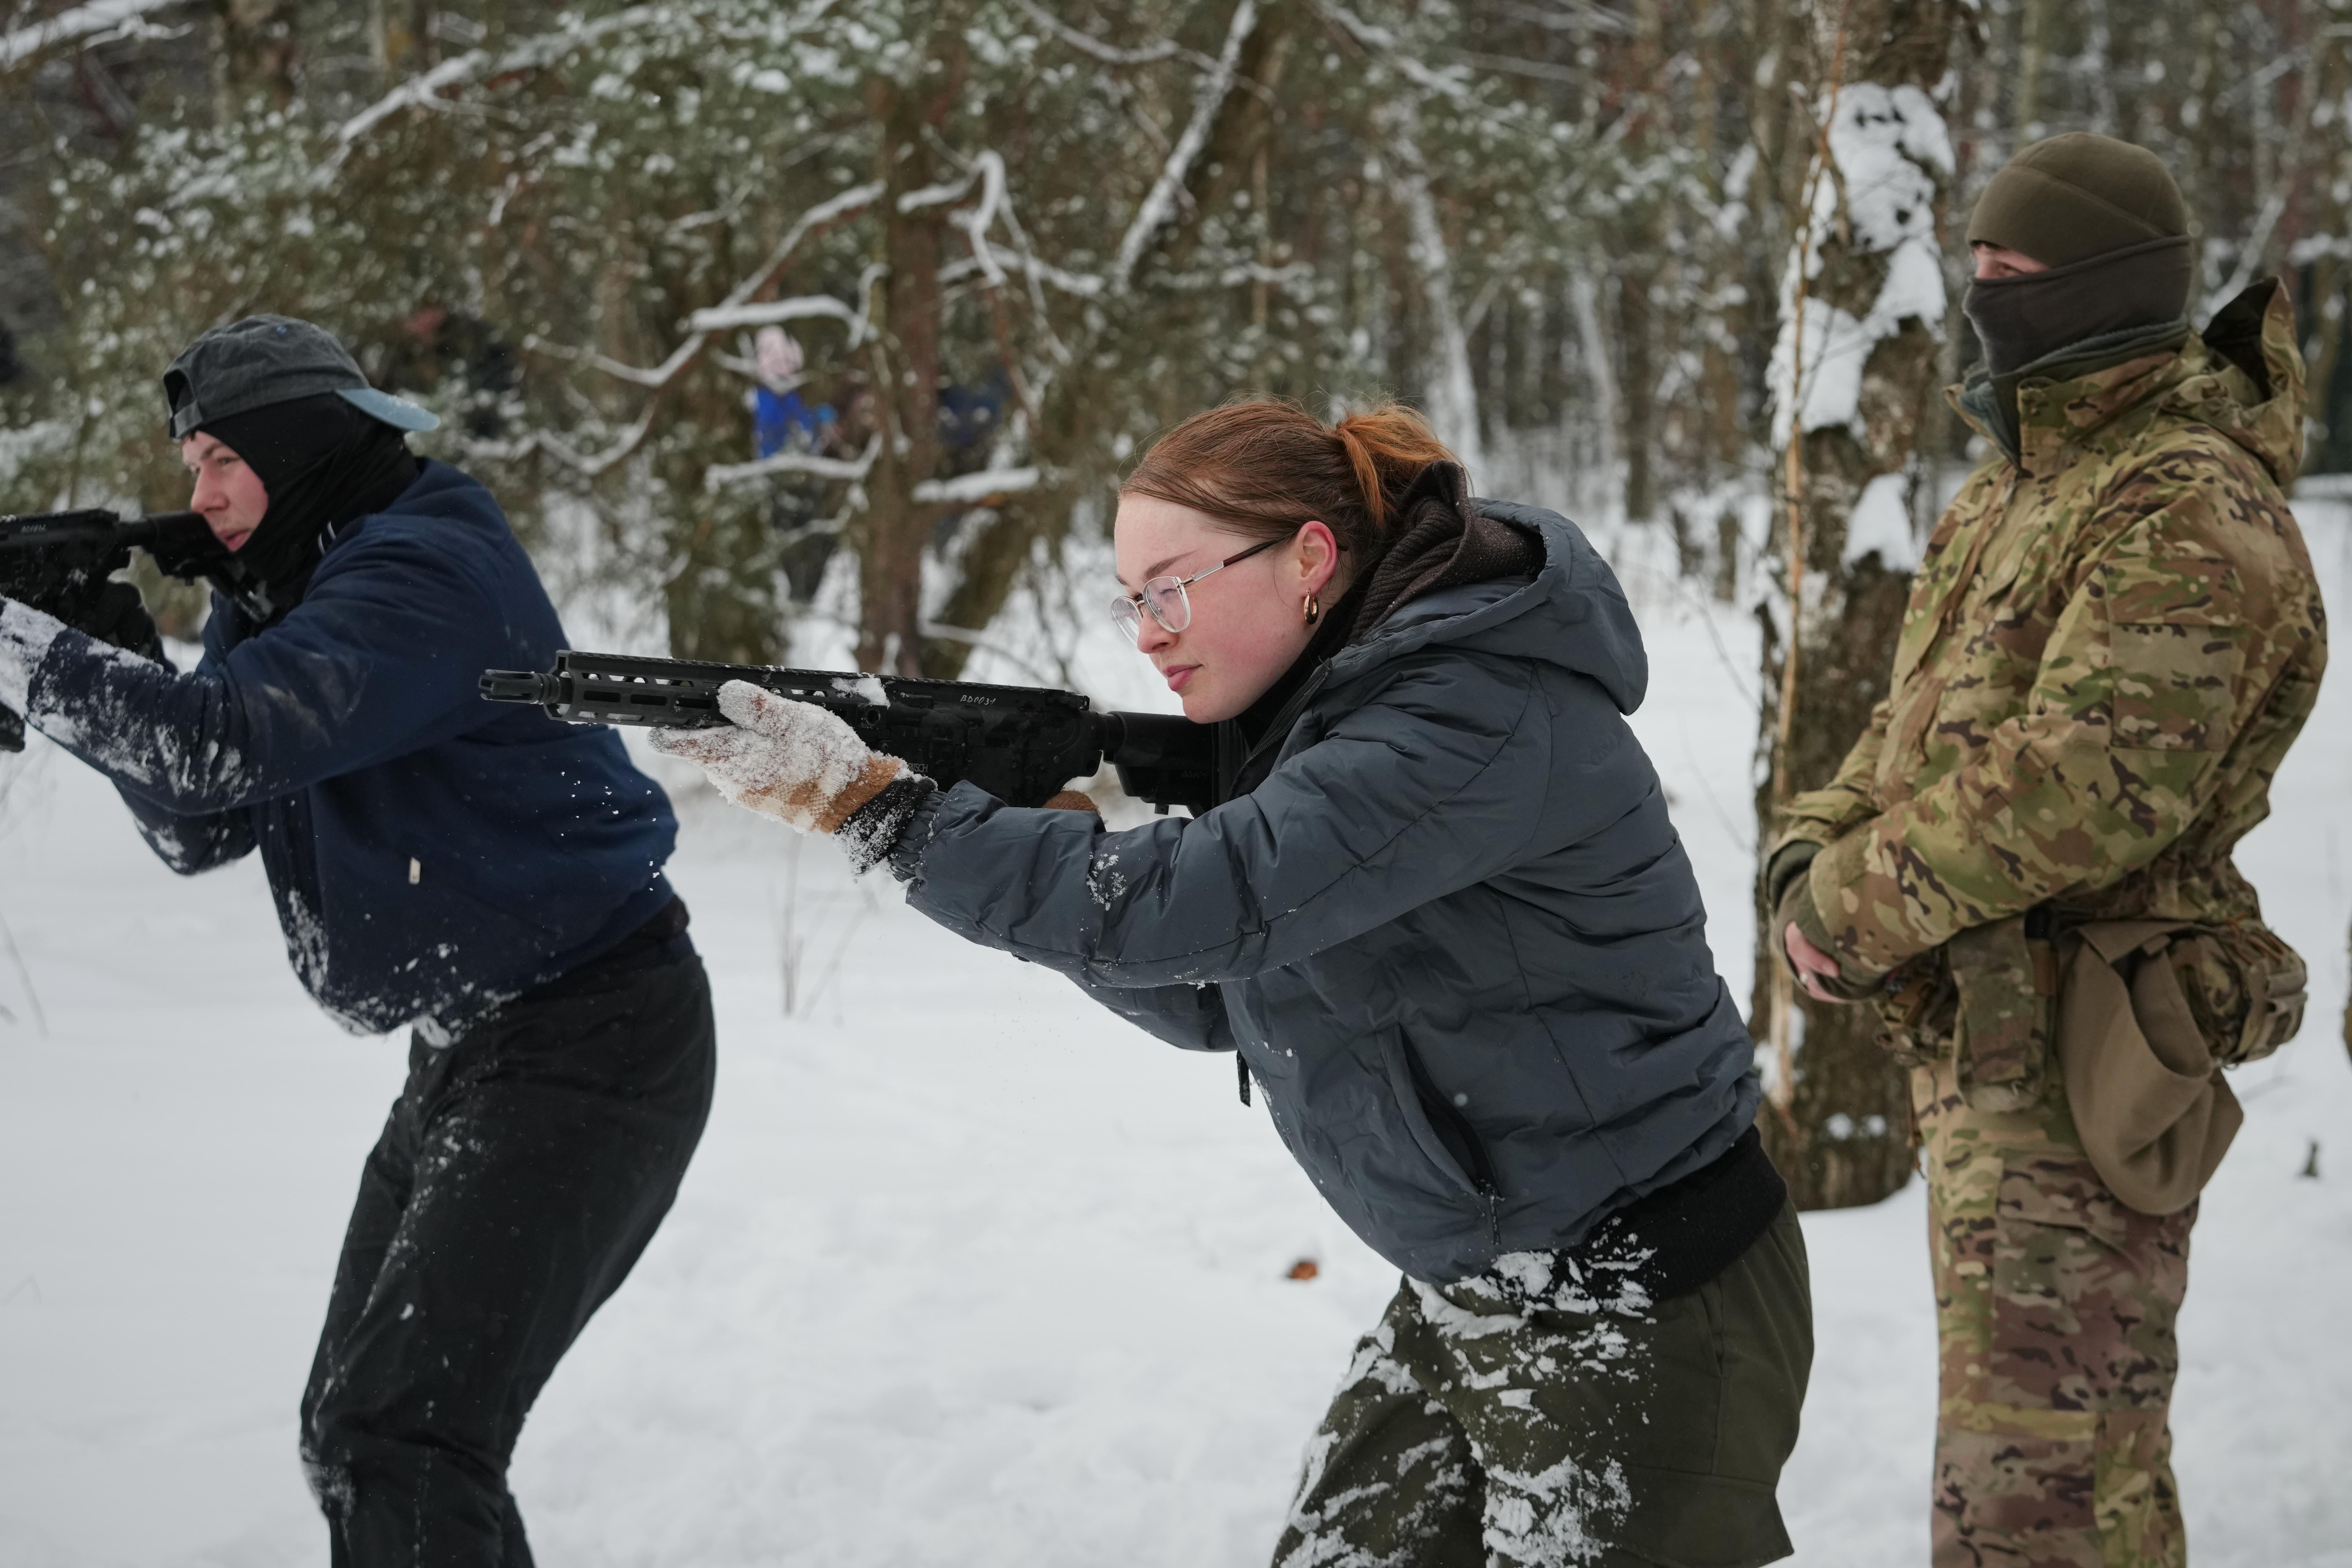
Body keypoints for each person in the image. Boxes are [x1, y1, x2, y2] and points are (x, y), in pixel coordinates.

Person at [656, 399, 1814, 1565]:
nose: (1148, 632)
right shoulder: (1319, 720)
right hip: (1471, 1281)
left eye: (1173, 586)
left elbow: (1206, 902)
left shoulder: (1468, 709)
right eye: (1130, 599)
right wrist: (1052, 851)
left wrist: (887, 813)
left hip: (1645, 1293)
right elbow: (1229, 990)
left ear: (1311, 558)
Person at [0, 315, 716, 1564]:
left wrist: (28, 653)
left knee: (406, 1433)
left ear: (296, 446)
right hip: (473, 1048)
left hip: (592, 1036)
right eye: (188, 468)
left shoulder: (421, 568)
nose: (201, 493)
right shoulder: (285, 577)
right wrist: (98, 635)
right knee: (357, 1431)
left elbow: (213, 744)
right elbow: (198, 820)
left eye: (224, 458)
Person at [1767, 134, 2324, 1567]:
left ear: (2108, 289)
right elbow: (1909, 729)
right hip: (1985, 1035)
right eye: (1974, 266)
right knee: (2020, 1474)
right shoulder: (2011, 488)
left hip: (2090, 1042)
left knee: (2051, 1495)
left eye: (2012, 272)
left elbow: (2083, 786)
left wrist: (1848, 903)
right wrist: (1810, 852)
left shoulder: (2185, 500)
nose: (1981, 293)